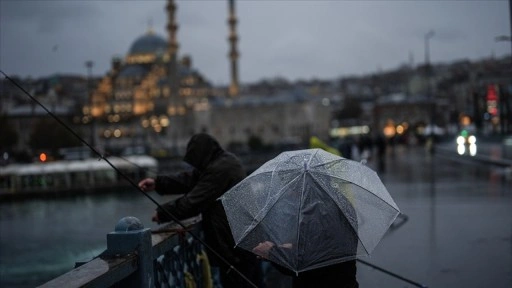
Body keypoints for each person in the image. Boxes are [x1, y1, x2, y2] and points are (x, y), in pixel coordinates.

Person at [138, 133, 261, 288]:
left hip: (235, 248)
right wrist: (158, 183)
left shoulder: (221, 169)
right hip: (240, 243)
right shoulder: (222, 162)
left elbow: (193, 202)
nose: (195, 166)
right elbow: (190, 179)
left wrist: (162, 213)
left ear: (202, 155)